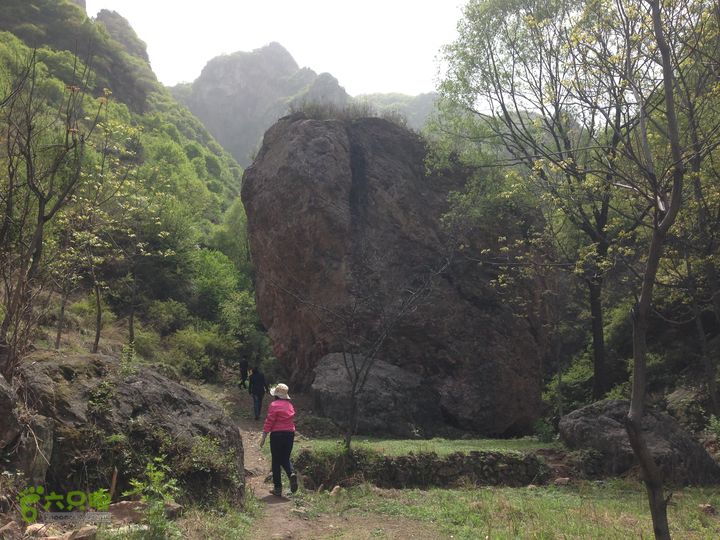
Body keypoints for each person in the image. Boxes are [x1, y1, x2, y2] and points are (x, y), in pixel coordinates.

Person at [260, 383, 298, 496]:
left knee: (276, 460)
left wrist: (264, 435)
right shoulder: (290, 406)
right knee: (285, 458)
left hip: (277, 435)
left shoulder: (274, 405)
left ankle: (277, 488)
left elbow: (270, 421)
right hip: (290, 434)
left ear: (276, 395)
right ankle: (291, 473)